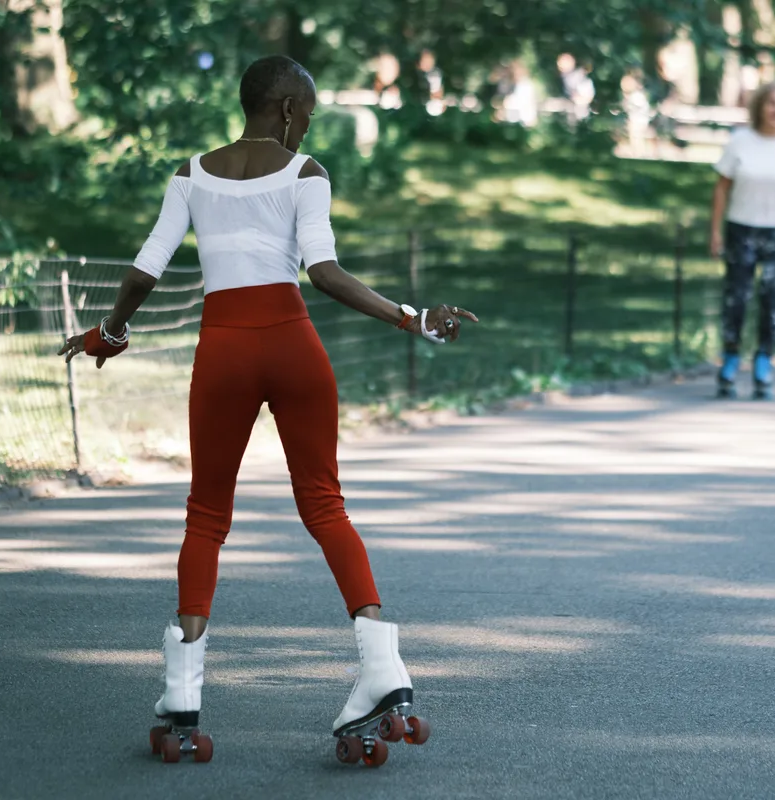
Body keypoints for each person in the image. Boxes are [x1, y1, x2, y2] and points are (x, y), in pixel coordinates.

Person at [58, 54, 477, 763]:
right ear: (286, 109)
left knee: (206, 517)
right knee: (325, 505)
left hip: (223, 352)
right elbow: (324, 271)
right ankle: (382, 671)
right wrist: (411, 317)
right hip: (292, 348)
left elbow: (144, 268)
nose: (306, 126)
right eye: (307, 114)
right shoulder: (306, 173)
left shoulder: (189, 173)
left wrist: (114, 332)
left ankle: (183, 695)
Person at [709, 81, 775, 400]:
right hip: (743, 228)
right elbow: (721, 187)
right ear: (760, 107)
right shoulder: (740, 142)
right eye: (771, 103)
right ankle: (730, 357)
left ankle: (763, 359)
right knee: (737, 298)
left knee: (774, 300)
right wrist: (715, 230)